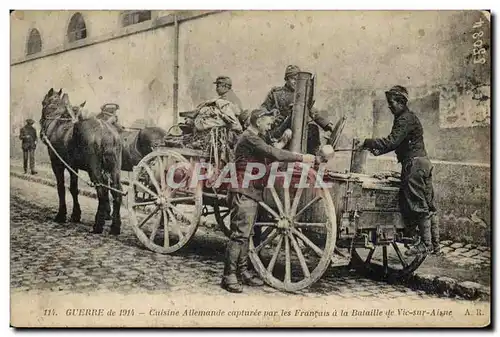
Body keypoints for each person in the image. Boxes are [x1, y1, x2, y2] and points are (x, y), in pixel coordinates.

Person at [221, 108, 319, 293]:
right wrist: (302, 158)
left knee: (246, 234)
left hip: (251, 190)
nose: (270, 125)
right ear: (258, 121)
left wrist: (283, 141)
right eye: (267, 122)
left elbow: (271, 150)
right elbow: (273, 153)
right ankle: (229, 276)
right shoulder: (249, 137)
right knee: (239, 235)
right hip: (243, 190)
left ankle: (242, 271)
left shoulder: (255, 137)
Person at [359, 85, 440, 256]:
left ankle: (425, 244)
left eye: (392, 103)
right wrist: (378, 150)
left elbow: (391, 141)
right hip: (422, 163)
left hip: (414, 166)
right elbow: (397, 143)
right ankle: (435, 245)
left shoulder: (404, 119)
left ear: (401, 102)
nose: (389, 106)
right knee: (428, 204)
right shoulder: (407, 118)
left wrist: (368, 142)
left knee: (417, 204)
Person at [260, 65, 336, 150]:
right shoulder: (276, 93)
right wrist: (271, 116)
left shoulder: (302, 95)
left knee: (313, 129)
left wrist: (326, 124)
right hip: (279, 129)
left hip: (297, 128)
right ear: (286, 79)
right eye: (292, 79)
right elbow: (263, 108)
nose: (295, 82)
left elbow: (311, 110)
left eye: (298, 79)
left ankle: (313, 157)